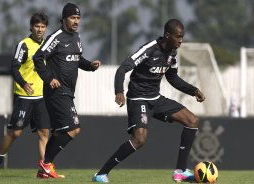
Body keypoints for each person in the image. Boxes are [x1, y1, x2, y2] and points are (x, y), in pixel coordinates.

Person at [92, 19, 206, 183]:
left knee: (192, 121)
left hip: (156, 99)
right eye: (178, 36)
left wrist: (193, 90)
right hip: (138, 99)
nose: (181, 40)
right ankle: (101, 174)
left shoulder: (172, 53)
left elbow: (173, 78)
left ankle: (180, 171)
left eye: (182, 37)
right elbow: (122, 68)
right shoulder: (149, 49)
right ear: (167, 35)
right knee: (139, 140)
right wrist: (119, 91)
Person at [0, 12, 60, 178]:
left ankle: (45, 169)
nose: (40, 29)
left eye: (43, 26)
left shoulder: (48, 45)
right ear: (31, 27)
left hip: (41, 97)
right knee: (15, 133)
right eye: (37, 26)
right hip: (24, 96)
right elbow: (14, 67)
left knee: (44, 133)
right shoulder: (24, 45)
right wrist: (23, 83)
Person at [32, 3, 101, 179]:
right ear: (64, 19)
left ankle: (44, 169)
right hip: (56, 91)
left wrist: (90, 66)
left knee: (58, 133)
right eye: (72, 18)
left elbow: (78, 60)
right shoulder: (56, 37)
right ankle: (46, 163)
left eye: (78, 18)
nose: (76, 21)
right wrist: (49, 78)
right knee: (73, 128)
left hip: (68, 92)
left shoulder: (76, 37)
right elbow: (38, 58)